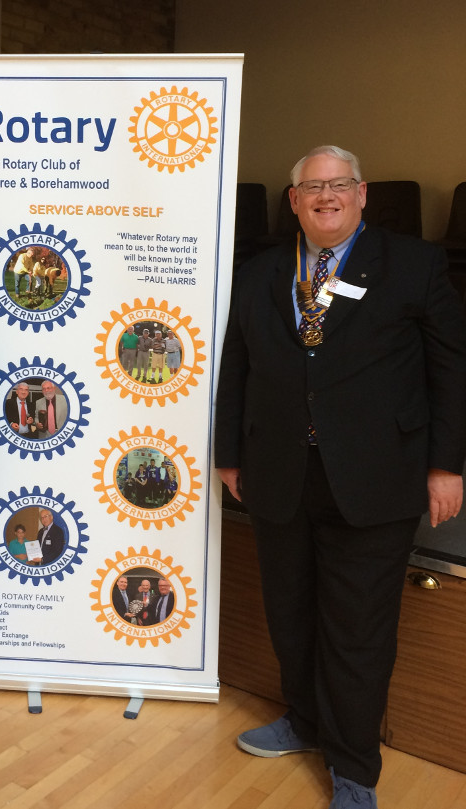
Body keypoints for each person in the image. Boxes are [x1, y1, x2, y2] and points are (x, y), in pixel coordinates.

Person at [214, 145, 466, 809]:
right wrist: (228, 454)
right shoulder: (263, 269)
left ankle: (354, 765)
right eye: (312, 187)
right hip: (278, 472)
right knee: (290, 614)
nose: (326, 195)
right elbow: (236, 364)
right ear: (294, 202)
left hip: (376, 478)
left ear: (361, 194)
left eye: (340, 184)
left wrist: (446, 466)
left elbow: (450, 370)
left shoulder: (412, 264)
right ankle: (303, 720)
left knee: (358, 628)